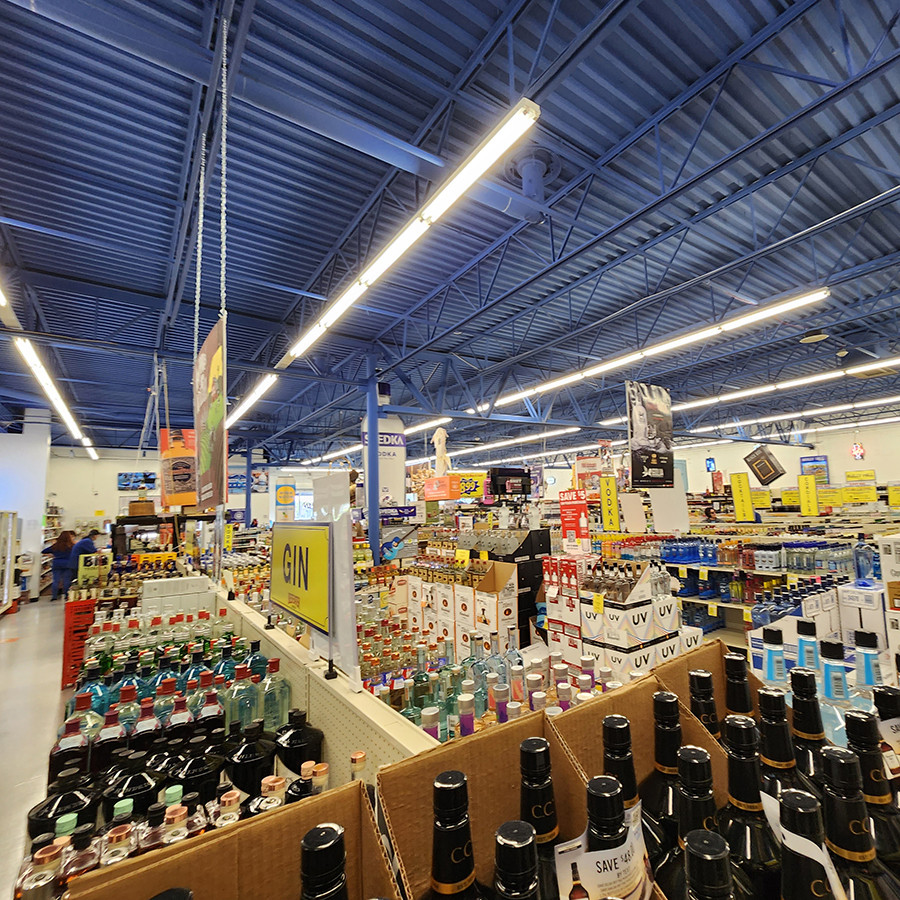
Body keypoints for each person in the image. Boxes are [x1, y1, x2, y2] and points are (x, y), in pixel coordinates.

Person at [42, 530, 76, 601]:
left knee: (56, 580)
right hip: (68, 563)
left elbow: (43, 551)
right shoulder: (72, 546)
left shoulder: (56, 545)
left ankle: (54, 596)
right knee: (66, 581)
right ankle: (67, 596)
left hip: (57, 563)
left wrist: (52, 555)